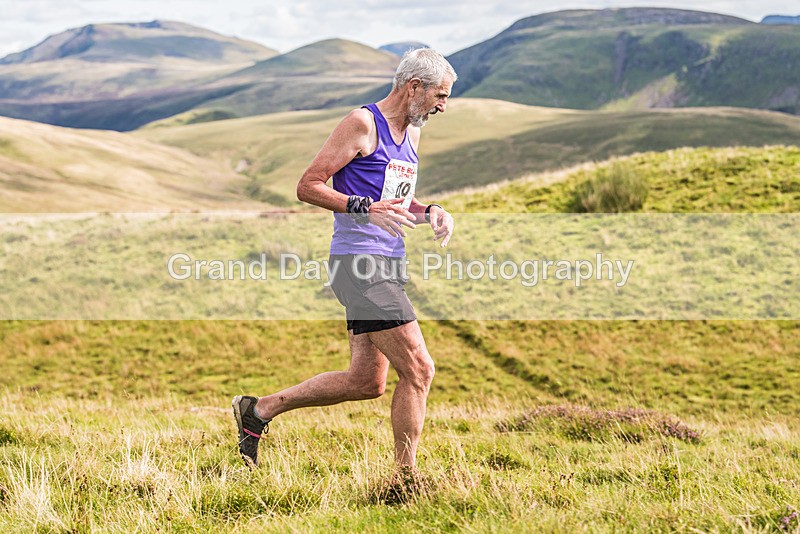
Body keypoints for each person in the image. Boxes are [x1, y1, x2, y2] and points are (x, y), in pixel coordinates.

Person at [232, 48, 457, 474]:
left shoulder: (413, 132)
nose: (443, 105)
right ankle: (405, 478)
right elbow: (308, 186)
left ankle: (258, 410)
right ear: (414, 87)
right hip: (359, 265)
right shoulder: (362, 124)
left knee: (365, 383)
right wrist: (363, 207)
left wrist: (431, 212)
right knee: (420, 370)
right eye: (440, 95)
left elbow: (396, 203)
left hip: (388, 264)